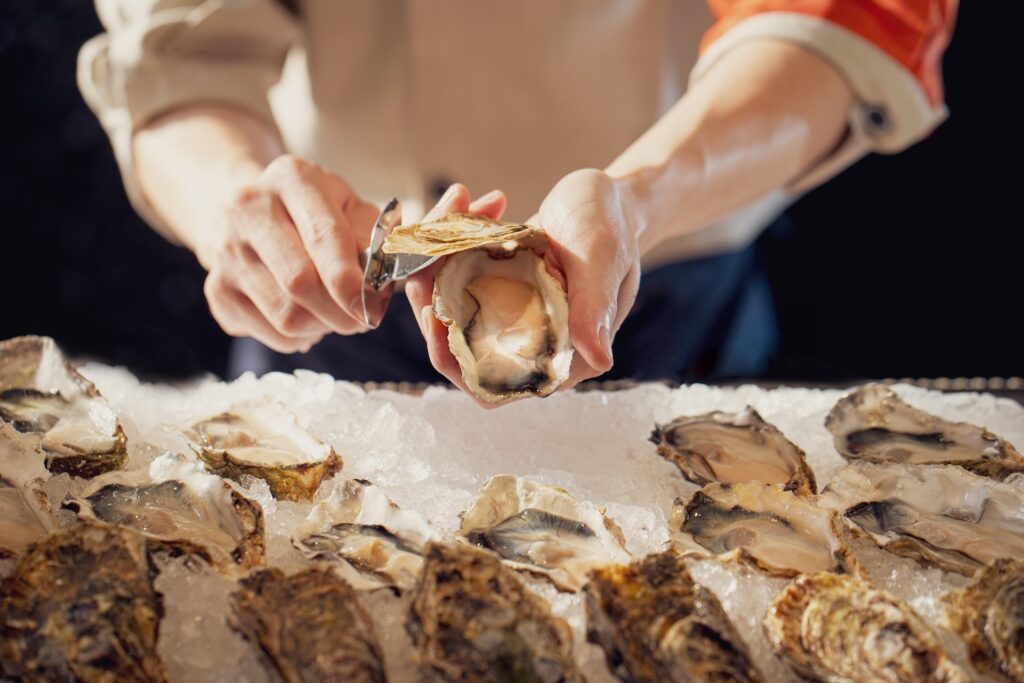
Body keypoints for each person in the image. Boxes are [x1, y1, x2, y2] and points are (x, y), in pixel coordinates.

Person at [79, 1, 956, 400]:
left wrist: (638, 198)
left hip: (664, 277)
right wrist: (234, 196)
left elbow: (842, 20)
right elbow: (176, 58)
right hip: (327, 285)